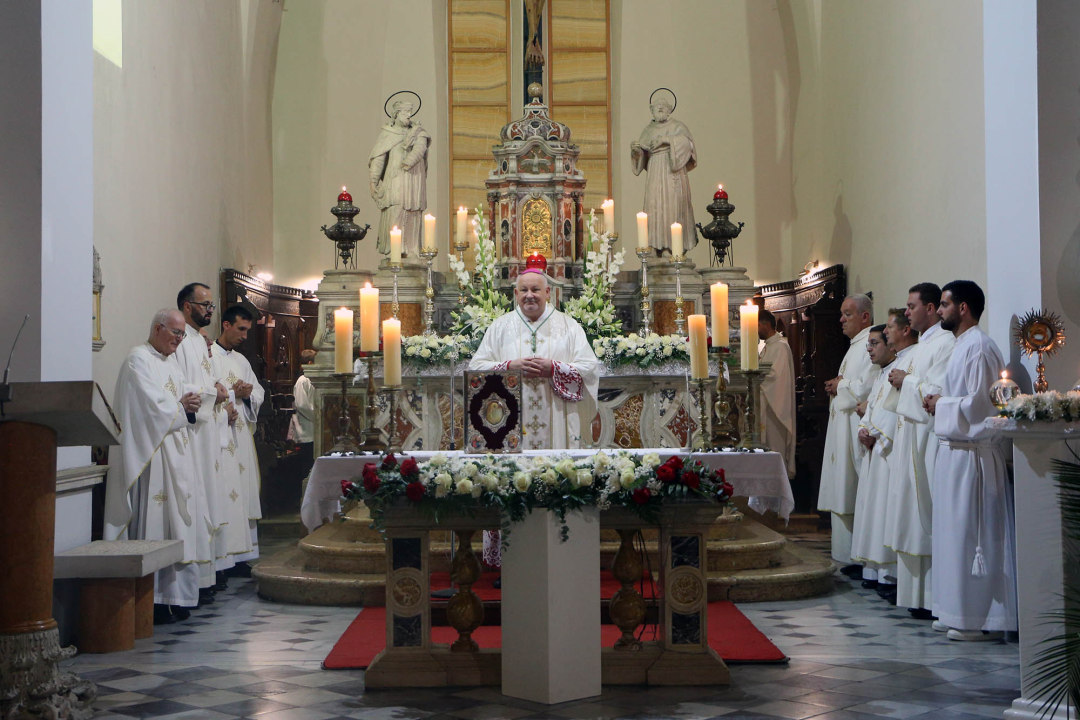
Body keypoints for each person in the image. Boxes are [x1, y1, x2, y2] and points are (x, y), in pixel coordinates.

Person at [471, 269, 602, 573]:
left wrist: (553, 368)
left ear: (548, 294)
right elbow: (476, 367)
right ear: (514, 294)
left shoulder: (568, 327)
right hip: (507, 425)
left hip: (558, 421)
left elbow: (589, 368)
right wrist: (509, 366)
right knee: (509, 486)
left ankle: (562, 559)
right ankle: (511, 562)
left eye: (536, 290)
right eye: (523, 290)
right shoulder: (500, 328)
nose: (530, 295)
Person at [924, 281, 1016, 641]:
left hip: (973, 455)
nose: (940, 310)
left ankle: (975, 618)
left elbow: (981, 404)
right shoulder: (961, 345)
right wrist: (942, 400)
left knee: (970, 536)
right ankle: (954, 610)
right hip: (955, 452)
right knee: (952, 535)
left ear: (963, 308)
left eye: (945, 304)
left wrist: (939, 404)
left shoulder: (979, 347)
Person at [103, 309, 202, 624]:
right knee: (156, 521)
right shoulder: (138, 360)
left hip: (174, 451)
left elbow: (177, 399)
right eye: (176, 333)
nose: (179, 340)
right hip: (153, 456)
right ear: (158, 328)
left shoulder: (169, 361)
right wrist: (180, 407)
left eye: (183, 334)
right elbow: (149, 409)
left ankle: (179, 596)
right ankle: (155, 601)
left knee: (179, 523)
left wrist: (193, 401)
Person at [885, 283, 955, 619]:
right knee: (910, 515)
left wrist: (906, 382)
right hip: (909, 435)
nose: (906, 312)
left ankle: (929, 598)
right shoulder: (923, 345)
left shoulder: (945, 343)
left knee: (923, 514)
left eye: (912, 306)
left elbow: (938, 393)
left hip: (926, 438)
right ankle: (914, 596)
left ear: (930, 308)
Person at [175, 283, 229, 599]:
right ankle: (197, 579)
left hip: (208, 432)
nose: (209, 309)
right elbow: (182, 387)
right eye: (204, 304)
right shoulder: (181, 341)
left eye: (211, 304)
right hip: (193, 434)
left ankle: (209, 574)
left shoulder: (200, 341)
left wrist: (218, 386)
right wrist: (213, 394)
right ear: (186, 306)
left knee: (211, 497)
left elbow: (207, 379)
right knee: (200, 501)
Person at [818, 294, 876, 573]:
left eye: (847, 314)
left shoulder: (869, 344)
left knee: (852, 489)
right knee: (843, 488)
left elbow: (867, 387)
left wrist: (840, 385)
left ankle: (857, 556)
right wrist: (839, 385)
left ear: (865, 316)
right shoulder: (856, 346)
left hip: (856, 427)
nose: (841, 319)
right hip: (843, 427)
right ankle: (847, 554)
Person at [213, 305, 265, 576]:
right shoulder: (208, 356)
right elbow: (208, 394)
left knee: (242, 492)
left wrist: (247, 394)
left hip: (241, 434)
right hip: (222, 436)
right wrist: (232, 394)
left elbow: (259, 392)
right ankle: (224, 556)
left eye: (248, 330)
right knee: (225, 492)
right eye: (241, 329)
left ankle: (243, 554)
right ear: (226, 325)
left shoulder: (242, 360)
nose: (245, 336)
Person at [630, 97, 698, 255]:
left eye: (663, 106)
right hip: (655, 170)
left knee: (672, 206)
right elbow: (641, 158)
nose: (660, 108)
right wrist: (636, 151)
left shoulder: (678, 126)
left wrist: (666, 140)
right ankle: (653, 246)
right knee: (653, 207)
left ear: (669, 110)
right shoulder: (648, 130)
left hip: (672, 171)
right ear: (651, 110)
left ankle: (671, 248)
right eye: (657, 106)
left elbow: (688, 145)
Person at [369, 99, 430, 258]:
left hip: (414, 179)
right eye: (405, 112)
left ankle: (412, 250)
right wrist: (373, 181)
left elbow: (420, 149)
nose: (408, 115)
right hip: (395, 178)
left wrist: (408, 161)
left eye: (410, 112)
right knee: (397, 208)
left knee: (414, 211)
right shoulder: (388, 133)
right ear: (396, 114)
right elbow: (378, 158)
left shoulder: (418, 132)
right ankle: (396, 251)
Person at [757, 309, 795, 479]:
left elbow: (776, 378)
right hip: (765, 407)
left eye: (757, 325)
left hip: (775, 410)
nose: (755, 329)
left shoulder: (780, 346)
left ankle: (778, 502)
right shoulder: (768, 347)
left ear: (766, 325)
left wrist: (755, 375)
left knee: (775, 451)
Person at [289, 349, 318, 480]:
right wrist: (317, 417)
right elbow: (301, 405)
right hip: (306, 429)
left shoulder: (313, 379)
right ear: (310, 363)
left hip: (313, 429)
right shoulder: (302, 380)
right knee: (306, 464)